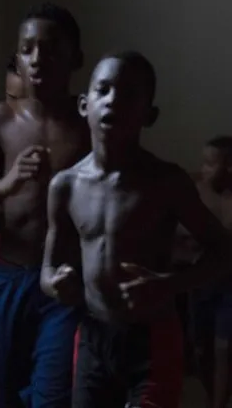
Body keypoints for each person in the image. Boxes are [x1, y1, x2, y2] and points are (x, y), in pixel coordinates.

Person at [40, 51, 232, 408]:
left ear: (149, 114)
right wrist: (56, 284)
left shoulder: (166, 182)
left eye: (129, 94)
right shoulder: (65, 185)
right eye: (104, 90)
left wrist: (168, 285)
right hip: (94, 335)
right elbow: (47, 270)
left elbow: (224, 252)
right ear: (85, 104)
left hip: (152, 339)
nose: (113, 100)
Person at [0, 3, 89, 408]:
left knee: (51, 398)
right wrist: (8, 184)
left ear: (75, 58)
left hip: (65, 282)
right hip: (7, 278)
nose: (37, 58)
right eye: (27, 49)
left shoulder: (88, 122)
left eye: (50, 48)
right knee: (4, 396)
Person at [194, 136, 232, 408]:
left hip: (229, 284)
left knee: (224, 349)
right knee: (201, 351)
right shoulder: (195, 194)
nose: (204, 169)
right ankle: (212, 398)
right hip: (200, 282)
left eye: (210, 164)